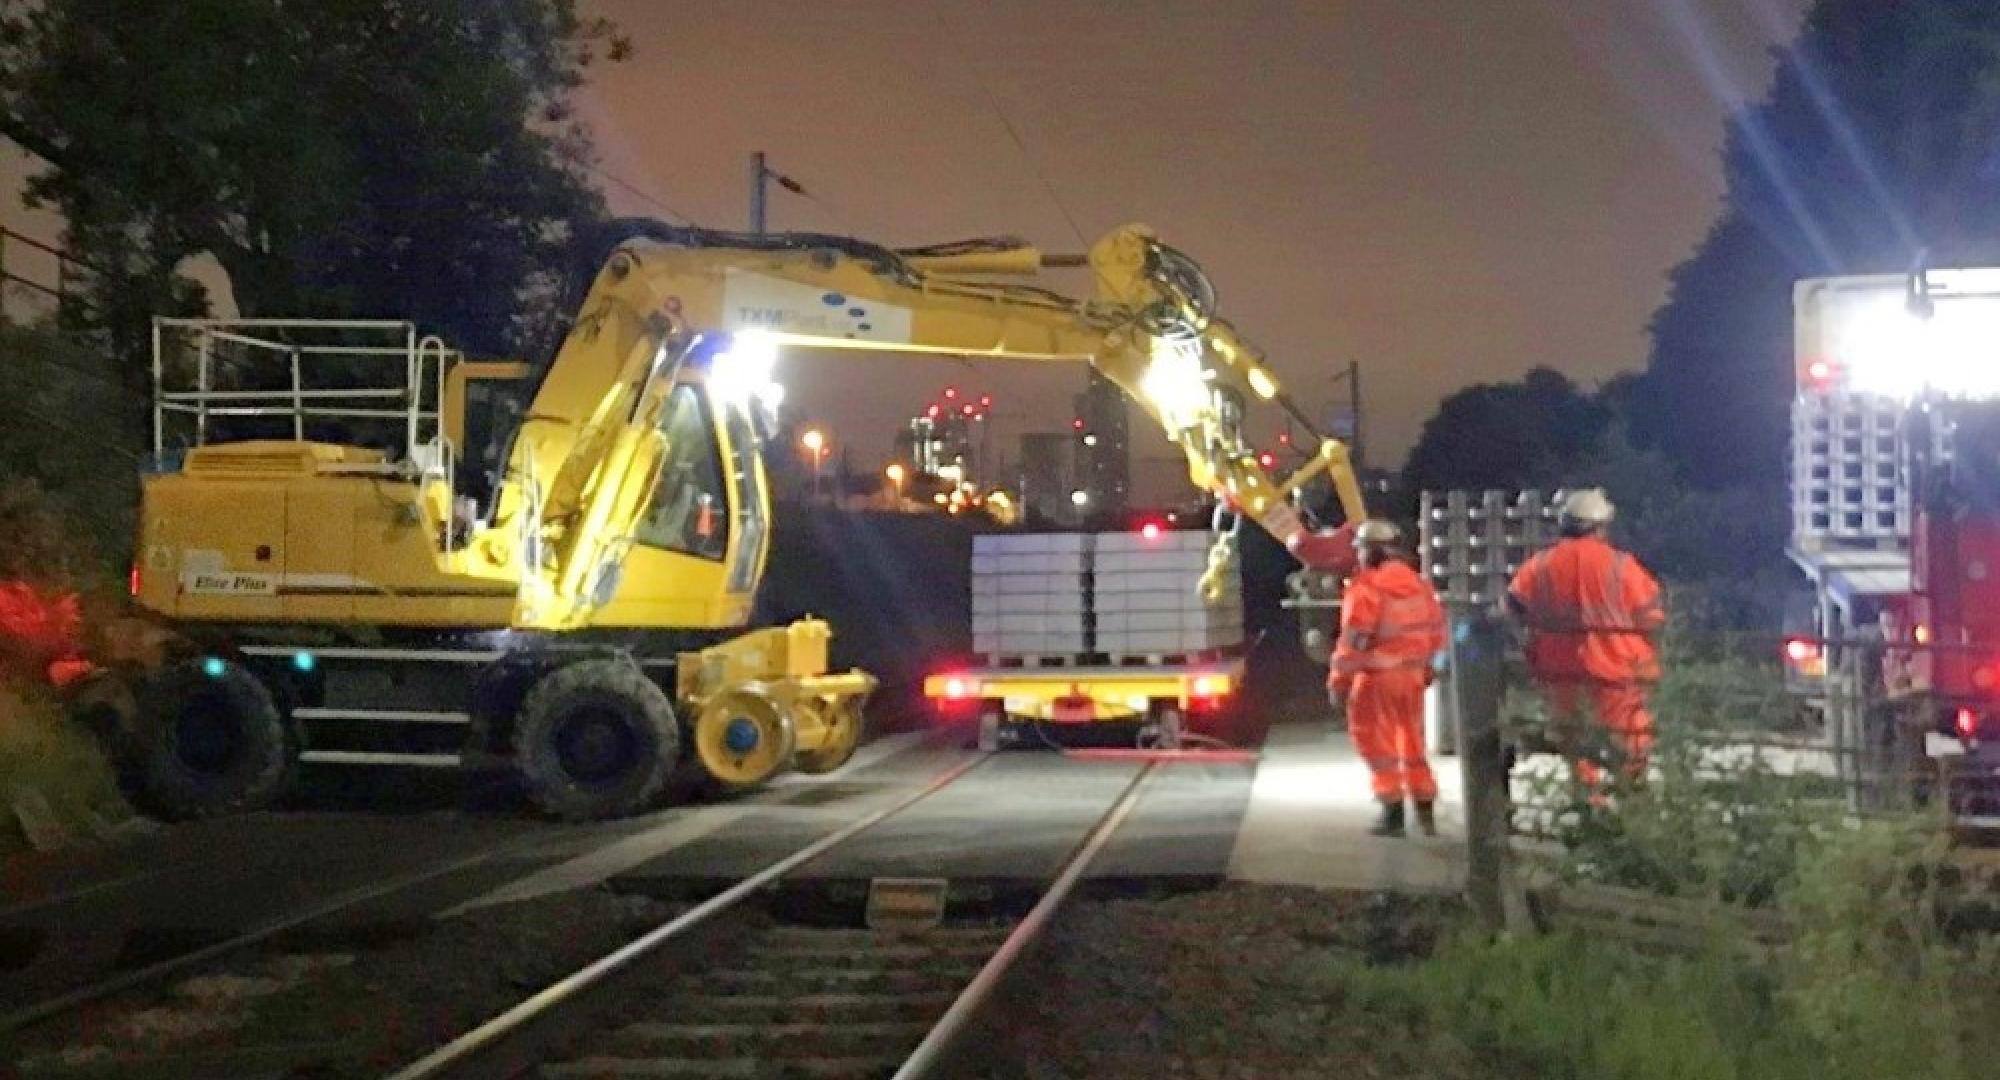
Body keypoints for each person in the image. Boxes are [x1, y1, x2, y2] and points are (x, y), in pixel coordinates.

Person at [1506, 488, 1665, 788]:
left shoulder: (1541, 565)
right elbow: (1651, 616)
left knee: (1574, 742)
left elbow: (1514, 605)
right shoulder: (1620, 565)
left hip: (1560, 671)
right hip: (1618, 672)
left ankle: (1590, 803)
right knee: (1631, 743)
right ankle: (1629, 803)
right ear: (1601, 526)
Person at [1324, 520, 1447, 837]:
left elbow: (1353, 643)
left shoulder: (1366, 590)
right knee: (1413, 743)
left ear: (1370, 553)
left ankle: (1392, 813)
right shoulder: (1420, 586)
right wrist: (1429, 669)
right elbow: (1437, 632)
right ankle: (1425, 810)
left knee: (1378, 747)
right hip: (1413, 678)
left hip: (1378, 679)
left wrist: (1338, 682)